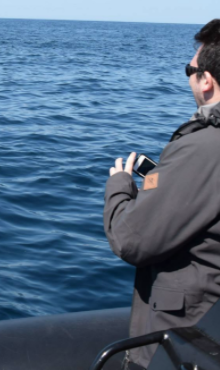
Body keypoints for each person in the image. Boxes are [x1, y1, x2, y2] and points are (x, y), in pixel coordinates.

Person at [104, 18, 220, 369]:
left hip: (188, 342)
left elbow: (131, 239)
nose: (188, 74)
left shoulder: (205, 147)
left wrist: (120, 187)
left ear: (207, 80)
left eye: (190, 67)